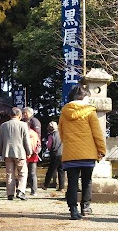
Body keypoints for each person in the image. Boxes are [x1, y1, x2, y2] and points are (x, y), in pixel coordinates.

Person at [58, 85, 106, 220]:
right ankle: (85, 207)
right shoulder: (90, 112)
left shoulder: (64, 112)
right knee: (87, 181)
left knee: (72, 182)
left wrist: (68, 144)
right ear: (85, 98)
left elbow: (61, 133)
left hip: (70, 153)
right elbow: (97, 133)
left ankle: (73, 209)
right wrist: (101, 150)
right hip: (87, 153)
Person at [0, 106, 31, 201]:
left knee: (9, 173)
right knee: (23, 172)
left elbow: (0, 140)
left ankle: (10, 194)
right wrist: (29, 152)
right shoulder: (23, 125)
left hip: (7, 152)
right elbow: (26, 140)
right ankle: (21, 191)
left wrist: (0, 153)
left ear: (10, 115)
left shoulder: (3, 125)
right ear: (19, 115)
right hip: (20, 152)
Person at [43, 121, 66, 191]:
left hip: (55, 154)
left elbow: (49, 146)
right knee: (61, 170)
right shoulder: (62, 133)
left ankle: (45, 185)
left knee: (51, 170)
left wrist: (47, 147)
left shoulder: (51, 135)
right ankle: (61, 187)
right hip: (62, 153)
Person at [26, 120, 41, 195]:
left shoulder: (25, 133)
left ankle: (22, 188)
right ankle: (34, 190)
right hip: (34, 155)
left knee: (23, 172)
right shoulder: (35, 134)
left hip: (25, 155)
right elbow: (39, 144)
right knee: (33, 173)